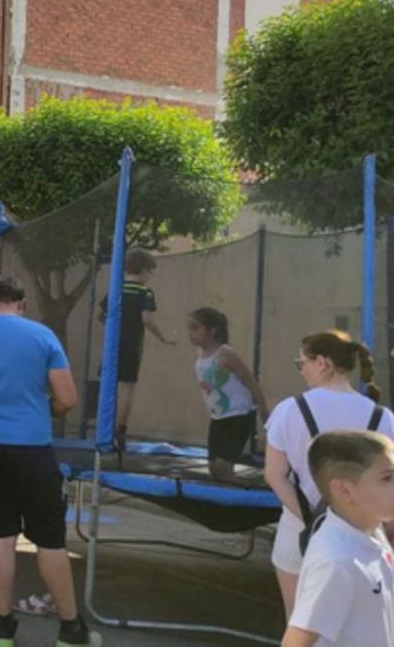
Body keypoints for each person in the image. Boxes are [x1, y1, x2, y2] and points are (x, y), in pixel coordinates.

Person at [0, 277, 99, 646]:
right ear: (22, 304)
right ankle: (70, 629)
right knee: (49, 540)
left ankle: (3, 626)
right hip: (32, 447)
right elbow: (68, 397)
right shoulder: (42, 336)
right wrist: (44, 410)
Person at [263, 330, 394, 618]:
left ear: (322, 362)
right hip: (364, 536)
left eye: (302, 363)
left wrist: (312, 520)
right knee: (363, 626)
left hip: (299, 533)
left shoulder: (288, 410)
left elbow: (274, 474)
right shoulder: (382, 418)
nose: (302, 371)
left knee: (300, 625)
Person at [281, 430, 394, 647]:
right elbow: (296, 642)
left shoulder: (372, 533)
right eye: (387, 478)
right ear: (344, 490)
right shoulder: (337, 561)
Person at [98, 248, 176, 447]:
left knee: (108, 384)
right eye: (151, 271)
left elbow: (103, 316)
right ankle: (121, 431)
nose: (151, 276)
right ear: (143, 270)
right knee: (127, 387)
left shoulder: (116, 288)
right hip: (132, 344)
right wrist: (163, 338)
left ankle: (103, 427)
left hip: (112, 345)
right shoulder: (144, 291)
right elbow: (146, 319)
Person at [188, 308, 269, 483]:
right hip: (218, 418)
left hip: (238, 417)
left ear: (212, 331)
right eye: (190, 328)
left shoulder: (226, 354)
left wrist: (265, 419)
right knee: (213, 469)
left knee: (224, 469)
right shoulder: (201, 354)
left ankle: (247, 496)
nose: (191, 333)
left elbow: (253, 385)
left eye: (195, 328)